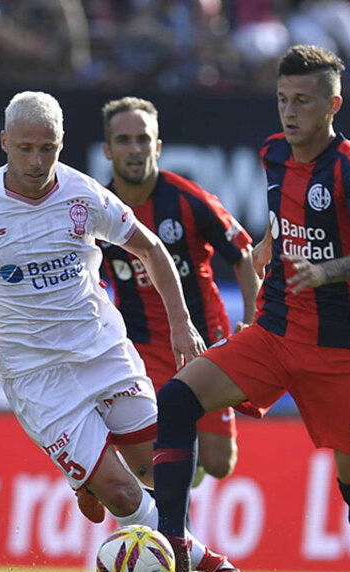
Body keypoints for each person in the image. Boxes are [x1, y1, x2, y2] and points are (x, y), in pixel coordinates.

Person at [0, 91, 248, 572]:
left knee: (157, 464)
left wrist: (180, 322)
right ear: (5, 142)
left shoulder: (83, 193)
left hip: (102, 351)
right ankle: (209, 561)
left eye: (47, 148)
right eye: (24, 148)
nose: (35, 161)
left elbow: (150, 247)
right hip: (36, 375)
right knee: (120, 491)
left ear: (62, 144)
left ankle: (92, 485)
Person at [151, 44, 350, 572]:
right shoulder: (272, 153)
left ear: (333, 104)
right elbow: (283, 212)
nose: (290, 112)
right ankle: (172, 537)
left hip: (342, 349)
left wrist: (329, 271)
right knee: (175, 401)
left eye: (303, 102)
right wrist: (271, 242)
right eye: (282, 100)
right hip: (274, 331)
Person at [99, 96, 259, 487]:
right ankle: (167, 536)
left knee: (220, 463)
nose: (134, 150)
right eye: (123, 140)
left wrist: (255, 325)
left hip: (204, 338)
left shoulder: (188, 199)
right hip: (143, 345)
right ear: (107, 150)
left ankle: (187, 469)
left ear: (157, 147)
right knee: (153, 464)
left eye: (142, 139)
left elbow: (246, 256)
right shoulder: (97, 209)